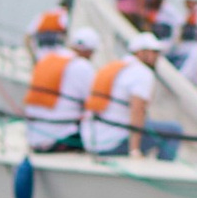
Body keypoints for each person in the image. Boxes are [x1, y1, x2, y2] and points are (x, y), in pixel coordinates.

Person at [20, 15, 96, 152]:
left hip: (34, 139)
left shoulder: (45, 60)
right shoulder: (83, 66)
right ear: (90, 52)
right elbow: (92, 104)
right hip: (58, 140)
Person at [82, 33, 161, 158]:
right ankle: (159, 172)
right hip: (111, 144)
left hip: (90, 142)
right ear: (140, 52)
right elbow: (138, 111)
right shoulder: (143, 72)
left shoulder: (112, 66)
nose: (156, 57)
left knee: (149, 126)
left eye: (157, 53)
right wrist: (134, 150)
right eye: (153, 52)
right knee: (173, 130)